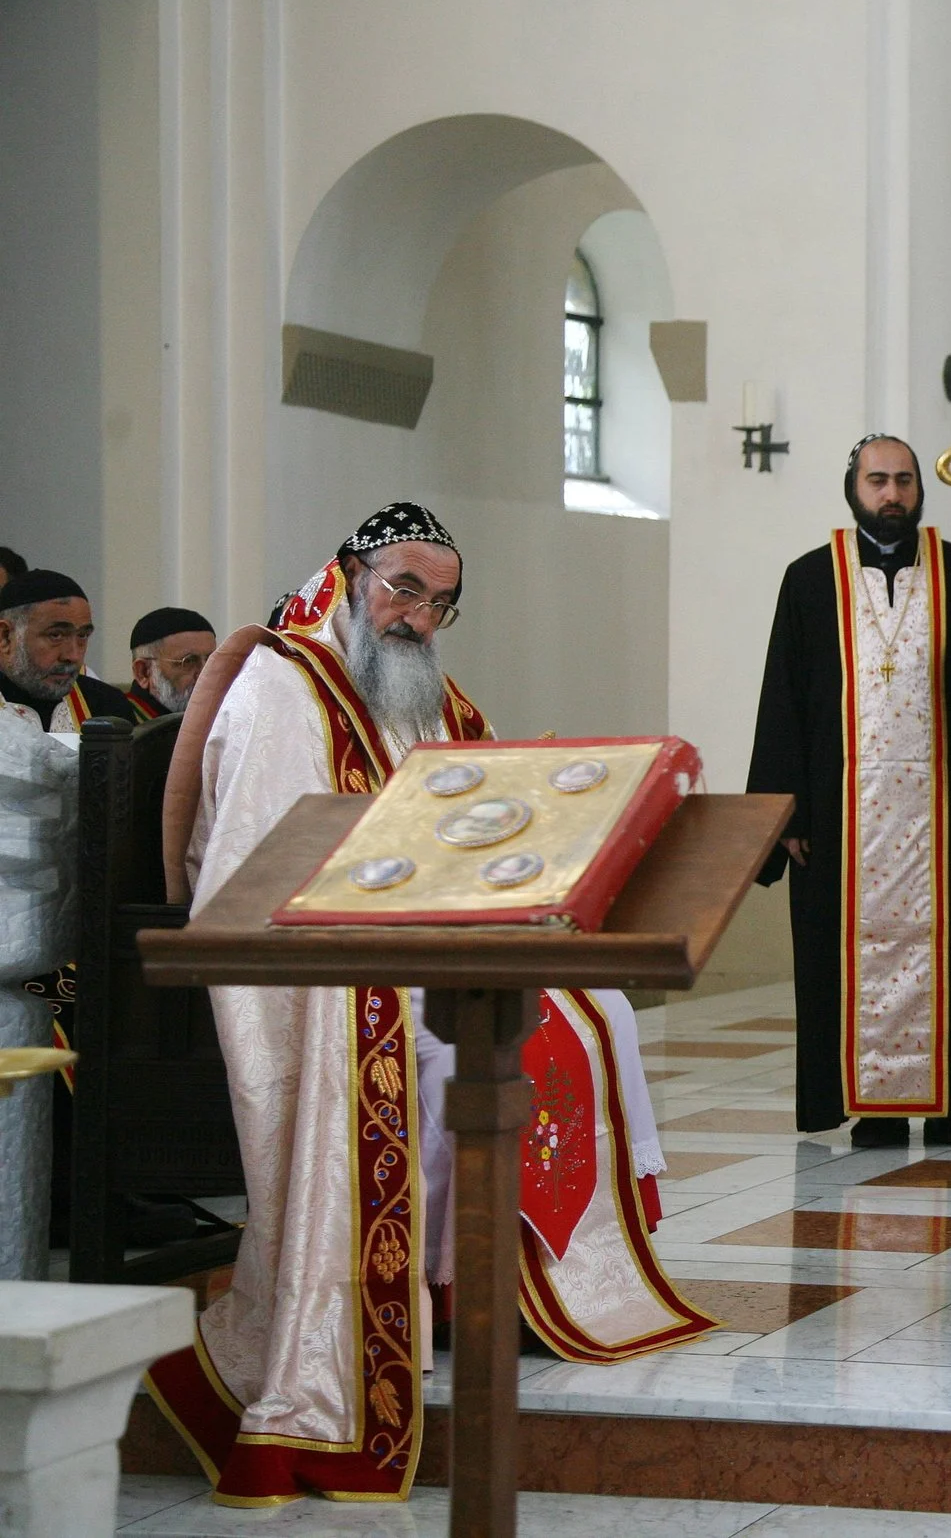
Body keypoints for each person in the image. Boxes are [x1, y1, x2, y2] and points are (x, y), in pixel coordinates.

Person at [148, 503, 714, 1507]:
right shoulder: (285, 682)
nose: (417, 616)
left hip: (421, 945)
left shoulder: (428, 692)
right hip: (318, 968)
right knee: (482, 1042)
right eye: (402, 587)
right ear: (349, 572)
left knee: (593, 1015)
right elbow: (242, 857)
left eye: (441, 601)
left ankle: (491, 1289)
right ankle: (385, 1317)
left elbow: (483, 811)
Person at [747, 436, 951, 1146]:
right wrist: (785, 808)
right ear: (853, 487)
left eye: (904, 481)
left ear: (919, 490)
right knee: (837, 958)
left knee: (950, 951)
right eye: (878, 480)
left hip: (941, 813)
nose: (892, 495)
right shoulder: (810, 579)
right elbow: (783, 699)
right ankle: (865, 1104)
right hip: (838, 816)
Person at [0, 569, 139, 732]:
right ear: (6, 636)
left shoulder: (108, 707)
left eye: (82, 636)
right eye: (56, 635)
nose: (73, 656)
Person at [126, 606, 217, 718]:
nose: (206, 675)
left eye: (212, 661)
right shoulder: (117, 726)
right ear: (144, 672)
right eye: (189, 661)